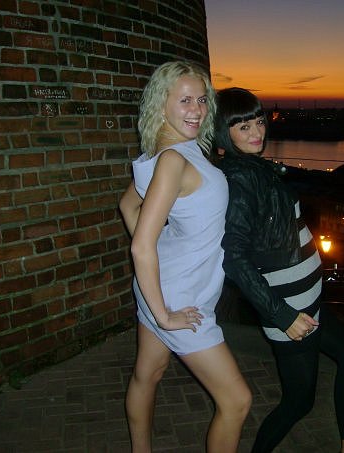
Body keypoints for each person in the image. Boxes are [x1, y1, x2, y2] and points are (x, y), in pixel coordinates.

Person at [215, 87, 344, 453]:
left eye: (259, 121)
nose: (257, 132)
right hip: (291, 311)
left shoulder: (256, 168)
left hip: (306, 303)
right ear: (223, 133)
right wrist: (282, 315)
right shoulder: (241, 179)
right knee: (298, 403)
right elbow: (234, 259)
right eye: (243, 127)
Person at [119, 63, 251, 452]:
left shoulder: (173, 150)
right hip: (178, 298)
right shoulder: (173, 160)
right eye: (185, 100)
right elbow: (140, 246)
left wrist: (164, 251)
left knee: (148, 373)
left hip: (165, 284)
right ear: (161, 104)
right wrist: (164, 313)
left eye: (202, 100)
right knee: (237, 401)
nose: (197, 110)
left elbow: (128, 206)